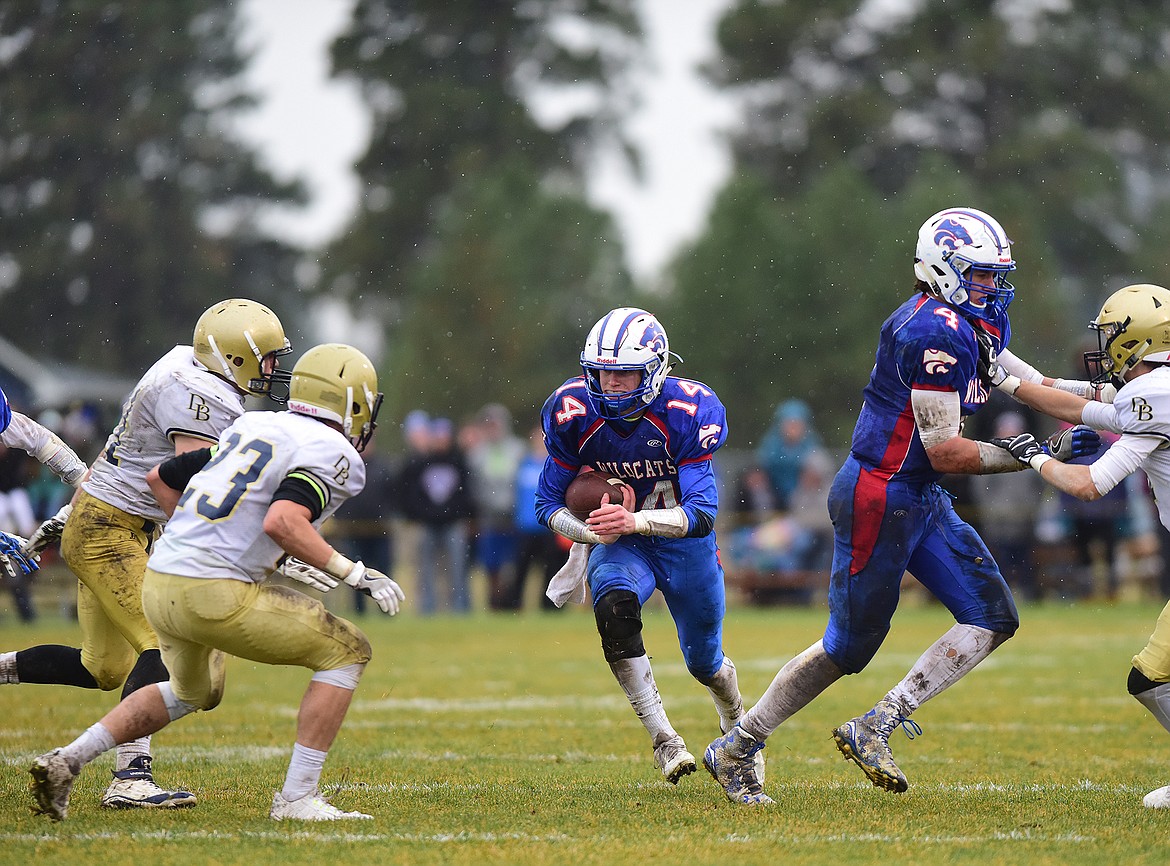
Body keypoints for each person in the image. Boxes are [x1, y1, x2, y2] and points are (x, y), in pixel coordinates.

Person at [703, 207, 1102, 804]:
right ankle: (738, 744)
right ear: (944, 269)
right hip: (881, 494)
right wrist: (1037, 454)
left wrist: (1118, 399)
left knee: (993, 616)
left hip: (917, 494)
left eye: (998, 276)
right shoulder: (932, 331)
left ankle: (876, 725)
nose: (995, 288)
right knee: (849, 647)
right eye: (983, 276)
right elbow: (945, 450)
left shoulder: (969, 322)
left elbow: (1034, 386)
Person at [28, 343, 404, 823]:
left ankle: (66, 761)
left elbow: (161, 477)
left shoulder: (253, 424)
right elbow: (283, 522)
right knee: (348, 651)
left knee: (192, 693)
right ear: (350, 402)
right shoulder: (333, 452)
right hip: (212, 591)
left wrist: (195, 536)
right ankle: (296, 799)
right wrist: (354, 573)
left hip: (162, 580)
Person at [1, 299, 292, 811]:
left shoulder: (189, 364)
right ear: (234, 357)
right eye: (266, 358)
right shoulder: (197, 395)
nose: (274, 370)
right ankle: (130, 779)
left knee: (103, 668)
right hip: (110, 531)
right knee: (168, 641)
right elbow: (186, 490)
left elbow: (132, 462)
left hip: (108, 522)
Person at [535, 307, 754, 785]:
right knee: (612, 607)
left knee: (705, 662)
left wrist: (633, 518)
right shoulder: (572, 411)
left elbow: (702, 514)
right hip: (624, 545)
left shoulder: (688, 410)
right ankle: (664, 739)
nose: (611, 384)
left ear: (654, 370)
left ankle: (734, 714)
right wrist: (597, 532)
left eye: (624, 373)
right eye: (603, 373)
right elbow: (546, 503)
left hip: (683, 546)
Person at [983, 282, 1170, 809]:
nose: (1105, 344)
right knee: (1152, 677)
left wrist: (1032, 455)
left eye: (1113, 334)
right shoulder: (1155, 390)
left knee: (1154, 677)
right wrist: (996, 359)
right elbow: (1065, 394)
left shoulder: (1152, 395)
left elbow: (1088, 485)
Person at [397, 415, 474, 614]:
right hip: (427, 523)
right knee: (426, 570)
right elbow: (410, 494)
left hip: (453, 523)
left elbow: (466, 495)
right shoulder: (420, 463)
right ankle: (428, 608)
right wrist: (422, 514)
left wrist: (454, 513)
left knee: (458, 569)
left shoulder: (459, 462)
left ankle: (460, 608)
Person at [466, 404, 525, 610]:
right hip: (488, 518)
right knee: (491, 564)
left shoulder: (517, 450)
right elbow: (473, 486)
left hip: (514, 518)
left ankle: (511, 602)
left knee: (513, 563)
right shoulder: (477, 454)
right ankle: (494, 603)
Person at [506, 425, 565, 610]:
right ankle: (514, 605)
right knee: (521, 569)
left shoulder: (556, 463)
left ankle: (549, 606)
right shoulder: (524, 464)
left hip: (549, 526)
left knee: (551, 569)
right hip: (525, 525)